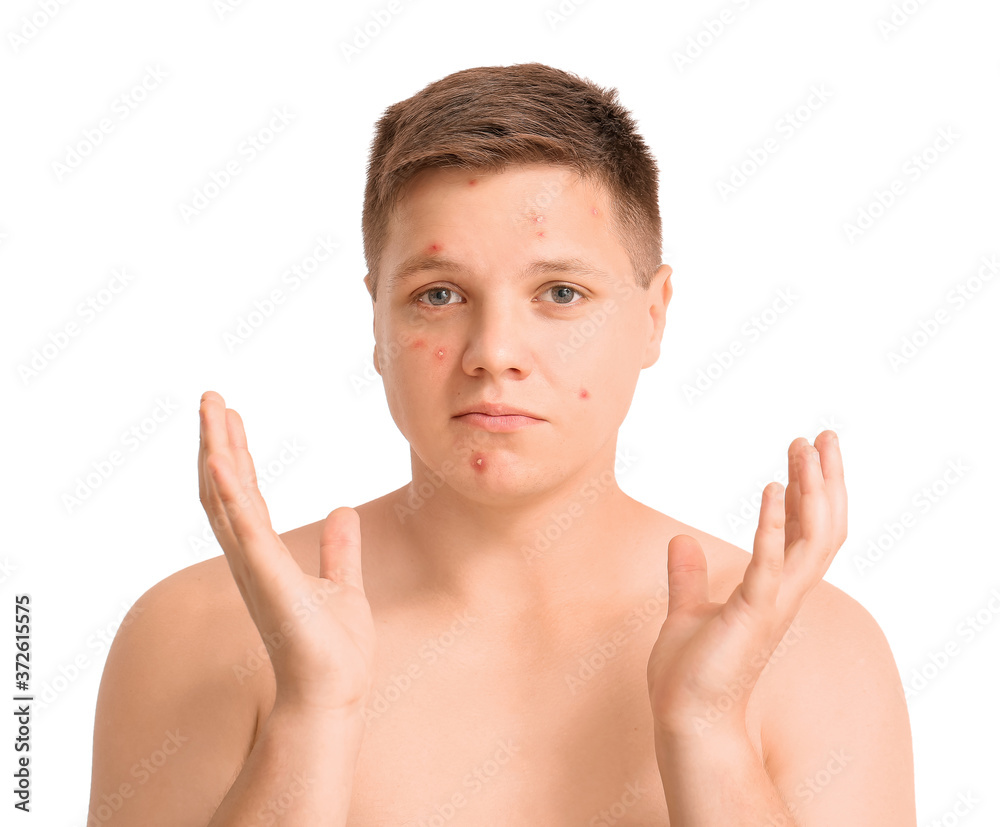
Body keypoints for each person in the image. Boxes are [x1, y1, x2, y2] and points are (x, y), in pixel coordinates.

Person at [87, 62, 916, 825]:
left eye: (560, 291)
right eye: (439, 294)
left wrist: (707, 726)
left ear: (654, 313)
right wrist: (312, 713)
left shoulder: (814, 650)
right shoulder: (197, 633)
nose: (494, 351)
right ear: (376, 320)